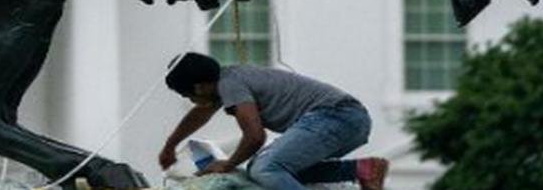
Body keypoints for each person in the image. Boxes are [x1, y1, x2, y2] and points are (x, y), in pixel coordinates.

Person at [160, 52, 389, 190]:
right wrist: (171, 146)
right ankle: (363, 169)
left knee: (265, 169)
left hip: (334, 116)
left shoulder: (230, 84)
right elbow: (201, 112)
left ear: (199, 86)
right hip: (348, 120)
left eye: (189, 95)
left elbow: (255, 137)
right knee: (276, 174)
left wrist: (226, 165)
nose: (192, 101)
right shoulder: (228, 80)